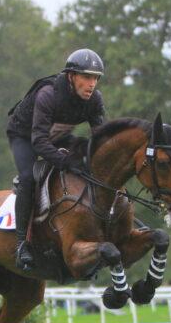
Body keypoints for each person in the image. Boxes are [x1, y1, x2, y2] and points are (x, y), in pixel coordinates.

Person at [6, 49, 107, 271]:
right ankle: (22, 244)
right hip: (25, 135)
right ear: (71, 76)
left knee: (84, 162)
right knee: (27, 177)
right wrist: (65, 161)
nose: (92, 84)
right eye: (87, 77)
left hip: (57, 134)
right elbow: (39, 142)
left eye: (96, 78)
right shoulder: (48, 94)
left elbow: (101, 140)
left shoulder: (94, 100)